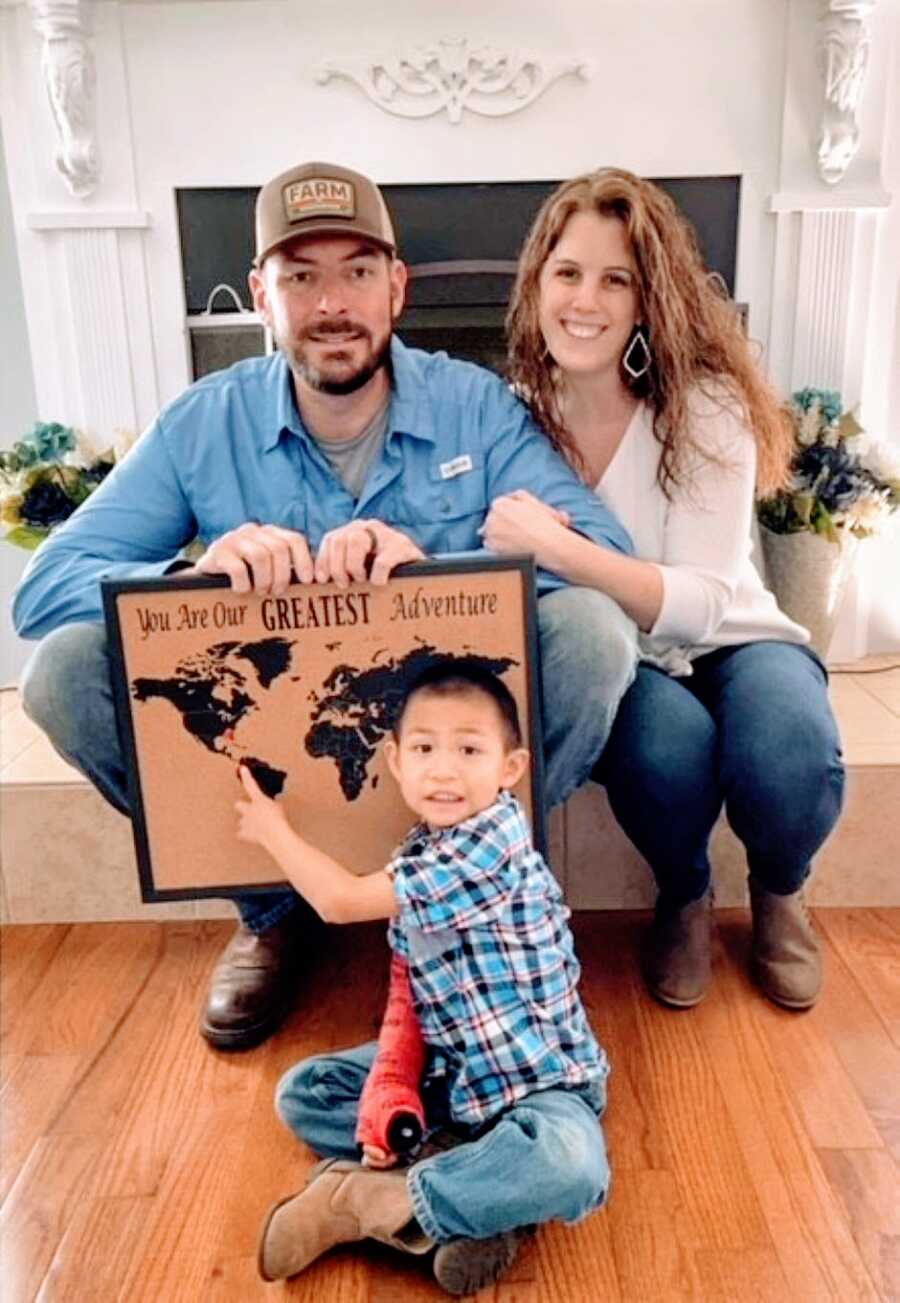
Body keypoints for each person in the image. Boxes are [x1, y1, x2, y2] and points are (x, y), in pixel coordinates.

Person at [12, 160, 637, 1052]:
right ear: (261, 296)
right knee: (62, 674)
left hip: (437, 720)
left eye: (355, 271)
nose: (332, 302)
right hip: (283, 727)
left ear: (397, 287)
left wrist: (436, 572)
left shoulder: (478, 407)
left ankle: (467, 891)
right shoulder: (202, 422)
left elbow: (602, 556)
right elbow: (43, 590)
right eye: (302, 277)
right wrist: (190, 582)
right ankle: (275, 910)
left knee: (593, 635)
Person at [482, 168, 844, 1011]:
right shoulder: (512, 415)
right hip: (629, 657)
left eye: (618, 280)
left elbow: (705, 602)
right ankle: (683, 893)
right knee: (664, 750)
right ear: (538, 284)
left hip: (735, 636)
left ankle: (782, 891)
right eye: (568, 273)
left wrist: (559, 548)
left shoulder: (706, 404)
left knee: (788, 743)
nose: (587, 300)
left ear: (648, 301)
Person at [236, 660, 610, 1296]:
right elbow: (407, 991)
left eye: (469, 749)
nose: (444, 769)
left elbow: (339, 903)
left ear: (509, 769)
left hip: (541, 1090)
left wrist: (275, 832)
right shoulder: (421, 849)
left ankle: (365, 1201)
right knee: (306, 1093)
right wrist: (391, 1086)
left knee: (572, 1166)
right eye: (425, 749)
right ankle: (475, 1206)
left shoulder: (491, 843)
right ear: (397, 762)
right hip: (453, 1076)